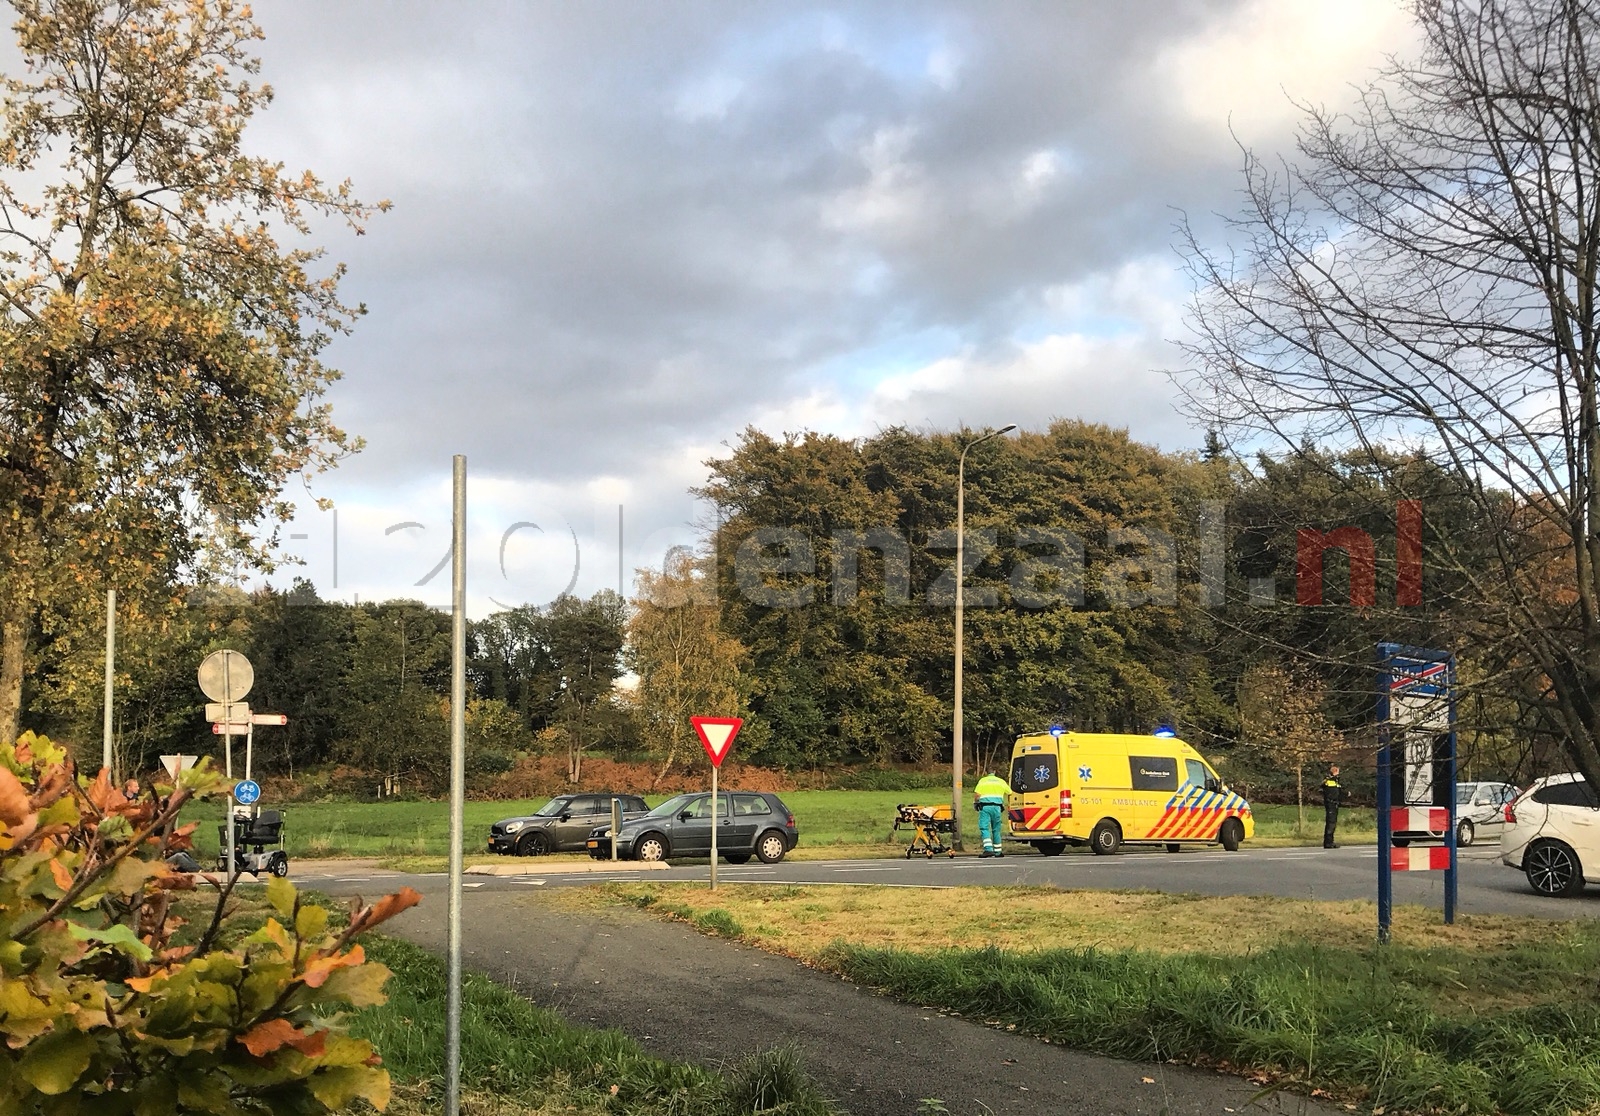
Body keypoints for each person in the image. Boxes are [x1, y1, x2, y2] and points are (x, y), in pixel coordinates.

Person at [973, 771, 1011, 857]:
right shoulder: (1001, 781)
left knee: (984, 827)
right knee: (996, 829)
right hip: (997, 807)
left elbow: (977, 794)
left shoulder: (983, 781)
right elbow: (1010, 792)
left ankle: (988, 849)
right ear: (995, 772)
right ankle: (998, 851)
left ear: (986, 772)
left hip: (985, 807)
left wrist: (975, 803)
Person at [1322, 764, 1343, 849]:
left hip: (1334, 805)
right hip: (1331, 805)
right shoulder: (1329, 782)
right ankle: (1328, 843)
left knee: (1332, 824)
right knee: (1330, 823)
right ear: (1335, 772)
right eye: (1338, 772)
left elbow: (1339, 792)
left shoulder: (1335, 781)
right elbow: (1334, 794)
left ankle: (1330, 841)